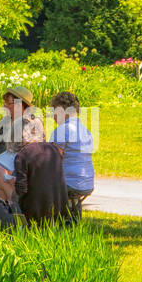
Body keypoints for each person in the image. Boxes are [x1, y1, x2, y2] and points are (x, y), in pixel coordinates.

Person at [48, 90, 95, 220]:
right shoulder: (84, 129)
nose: (53, 117)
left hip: (71, 182)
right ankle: (72, 217)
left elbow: (52, 159)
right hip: (87, 181)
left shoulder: (63, 129)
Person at [15, 137, 70, 224]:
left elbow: (21, 188)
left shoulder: (23, 154)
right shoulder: (54, 149)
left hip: (35, 214)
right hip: (59, 208)